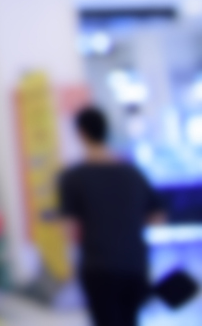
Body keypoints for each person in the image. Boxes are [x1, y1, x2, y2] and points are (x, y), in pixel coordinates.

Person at [58, 105, 166, 326]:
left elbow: (70, 230)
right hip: (135, 263)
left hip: (99, 266)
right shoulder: (133, 173)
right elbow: (158, 216)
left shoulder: (73, 177)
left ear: (81, 133)